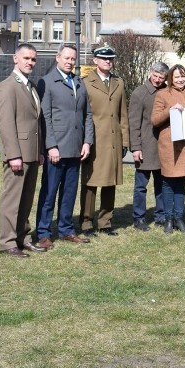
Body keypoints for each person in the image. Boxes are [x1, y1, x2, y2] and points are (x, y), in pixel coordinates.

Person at [34, 44, 94, 248]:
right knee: (49, 193)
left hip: (76, 148)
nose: (70, 62)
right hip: (56, 149)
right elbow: (45, 117)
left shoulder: (79, 82)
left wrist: (87, 141)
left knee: (69, 192)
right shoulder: (47, 82)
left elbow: (87, 114)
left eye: (73, 59)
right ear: (57, 58)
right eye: (66, 58)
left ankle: (66, 229)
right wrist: (50, 146)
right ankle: (43, 232)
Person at [0, 43, 45, 257]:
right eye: (26, 58)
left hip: (32, 152)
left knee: (26, 199)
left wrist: (39, 150)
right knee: (12, 199)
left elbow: (34, 121)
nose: (30, 62)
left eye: (33, 59)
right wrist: (13, 154)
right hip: (18, 154)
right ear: (15, 59)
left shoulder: (30, 86)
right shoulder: (8, 86)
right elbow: (6, 124)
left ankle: (23, 238)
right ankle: (7, 243)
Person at [81, 45, 130, 237]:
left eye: (110, 59)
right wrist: (84, 140)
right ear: (95, 60)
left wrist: (125, 140)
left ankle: (105, 222)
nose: (108, 61)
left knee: (110, 182)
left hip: (113, 140)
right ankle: (86, 223)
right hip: (94, 140)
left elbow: (122, 114)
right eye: (103, 59)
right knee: (90, 182)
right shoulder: (86, 82)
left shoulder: (119, 82)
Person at [151, 64, 185, 234]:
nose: (180, 80)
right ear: (171, 78)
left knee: (181, 182)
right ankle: (168, 219)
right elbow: (155, 120)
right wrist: (169, 111)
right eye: (177, 77)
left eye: (183, 76)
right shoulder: (162, 94)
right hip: (170, 146)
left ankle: (179, 218)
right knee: (168, 182)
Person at [128, 61, 169, 231]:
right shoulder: (139, 93)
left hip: (163, 147)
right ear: (151, 72)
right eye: (155, 76)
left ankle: (160, 216)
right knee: (141, 186)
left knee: (161, 185)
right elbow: (133, 123)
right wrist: (136, 147)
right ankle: (139, 218)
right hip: (145, 147)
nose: (158, 80)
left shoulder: (168, 92)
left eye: (161, 77)